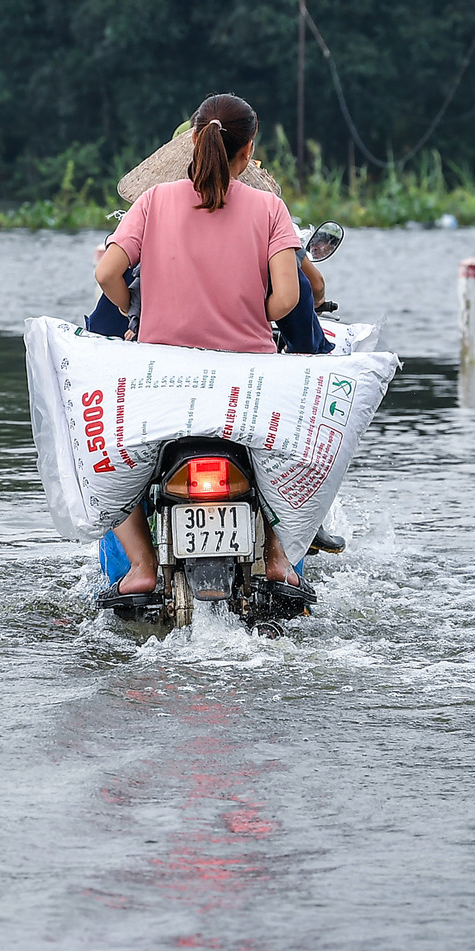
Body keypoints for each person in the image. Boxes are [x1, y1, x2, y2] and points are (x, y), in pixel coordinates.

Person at [93, 93, 306, 597]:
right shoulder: (269, 208)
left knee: (107, 464)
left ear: (192, 141)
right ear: (249, 150)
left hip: (160, 381)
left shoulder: (152, 201)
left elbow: (107, 272)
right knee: (290, 460)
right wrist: (252, 313)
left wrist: (133, 314)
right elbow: (289, 298)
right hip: (249, 383)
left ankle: (143, 568)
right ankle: (276, 559)